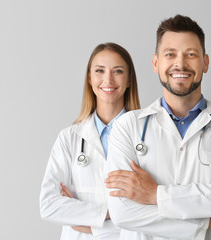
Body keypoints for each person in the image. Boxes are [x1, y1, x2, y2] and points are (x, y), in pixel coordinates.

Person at [105, 15, 211, 240]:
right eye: (170, 54)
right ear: (156, 63)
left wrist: (155, 194)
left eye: (191, 54)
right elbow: (123, 212)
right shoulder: (128, 127)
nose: (180, 64)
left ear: (205, 62)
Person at [39, 42, 141, 240]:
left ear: (129, 80)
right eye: (99, 71)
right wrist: (112, 214)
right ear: (89, 78)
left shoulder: (145, 137)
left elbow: (151, 213)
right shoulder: (69, 138)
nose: (108, 79)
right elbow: (48, 205)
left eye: (118, 71)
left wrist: (83, 219)